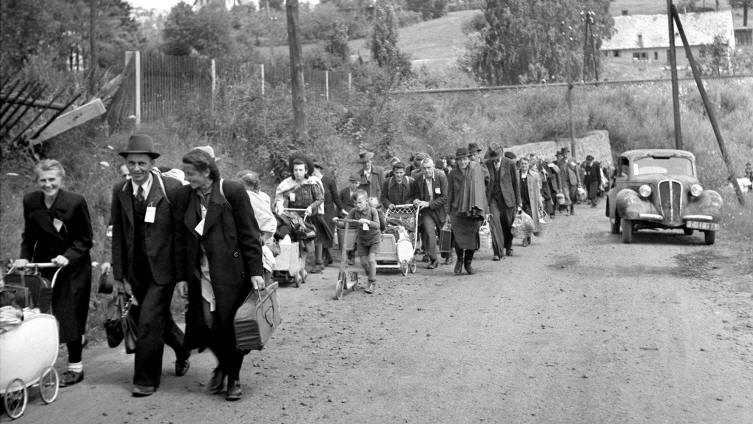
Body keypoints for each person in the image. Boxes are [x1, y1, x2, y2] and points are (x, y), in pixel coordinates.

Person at [175, 148, 265, 401]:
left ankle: (233, 377)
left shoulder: (232, 191)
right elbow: (181, 240)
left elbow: (250, 232)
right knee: (206, 326)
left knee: (231, 328)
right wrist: (182, 276)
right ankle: (223, 365)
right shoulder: (185, 196)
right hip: (201, 274)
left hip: (231, 273)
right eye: (185, 173)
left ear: (207, 172)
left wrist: (256, 271)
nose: (187, 178)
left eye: (191, 173)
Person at [110, 134, 191, 397]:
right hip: (136, 271)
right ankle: (182, 347)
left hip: (163, 272)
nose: (136, 169)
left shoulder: (171, 188)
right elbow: (119, 235)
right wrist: (119, 274)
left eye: (141, 163)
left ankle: (146, 379)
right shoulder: (120, 191)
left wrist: (182, 276)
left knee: (147, 322)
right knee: (158, 321)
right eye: (131, 163)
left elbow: (181, 234)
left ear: (151, 163)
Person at [14, 159, 93, 387]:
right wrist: (24, 257)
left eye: (52, 180)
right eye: (43, 180)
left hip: (72, 265)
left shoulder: (75, 202)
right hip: (44, 264)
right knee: (37, 313)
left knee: (69, 312)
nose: (48, 185)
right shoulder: (30, 201)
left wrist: (67, 256)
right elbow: (29, 236)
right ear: (37, 181)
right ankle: (35, 364)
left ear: (61, 179)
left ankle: (75, 367)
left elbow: (85, 239)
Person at [274, 158, 331, 273]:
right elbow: (280, 197)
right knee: (289, 237)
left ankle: (303, 265)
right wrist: (280, 204)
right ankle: (289, 263)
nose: (298, 172)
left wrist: (311, 207)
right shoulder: (288, 184)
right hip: (292, 215)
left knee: (305, 240)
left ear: (306, 171)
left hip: (309, 215)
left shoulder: (312, 183)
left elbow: (320, 198)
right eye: (295, 170)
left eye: (300, 170)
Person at [446, 148, 488, 275]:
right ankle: (459, 261)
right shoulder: (452, 174)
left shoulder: (476, 170)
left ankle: (468, 263)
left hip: (473, 210)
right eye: (459, 160)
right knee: (459, 237)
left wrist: (485, 209)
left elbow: (483, 187)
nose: (462, 162)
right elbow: (450, 193)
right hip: (457, 210)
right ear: (456, 161)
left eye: (464, 159)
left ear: (469, 159)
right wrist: (448, 212)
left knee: (472, 236)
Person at [334, 190, 381, 294]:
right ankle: (370, 275)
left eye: (360, 202)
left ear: (366, 201)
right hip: (361, 240)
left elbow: (378, 225)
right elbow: (346, 222)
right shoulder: (353, 211)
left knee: (371, 260)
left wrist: (368, 221)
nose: (357, 205)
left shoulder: (373, 211)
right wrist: (338, 221)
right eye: (355, 203)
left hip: (374, 240)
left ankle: (372, 282)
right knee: (364, 263)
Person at [411, 156, 448, 269]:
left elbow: (445, 197)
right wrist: (416, 200)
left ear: (433, 167)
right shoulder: (417, 178)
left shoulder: (441, 176)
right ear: (421, 169)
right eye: (424, 168)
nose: (427, 171)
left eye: (429, 168)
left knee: (444, 233)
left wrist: (429, 203)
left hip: (441, 209)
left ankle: (447, 254)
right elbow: (415, 194)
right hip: (426, 211)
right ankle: (433, 259)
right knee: (429, 233)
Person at [486, 145, 521, 258]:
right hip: (493, 199)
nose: (495, 159)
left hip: (508, 198)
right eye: (493, 157)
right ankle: (498, 252)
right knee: (495, 224)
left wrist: (518, 201)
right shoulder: (487, 164)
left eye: (496, 156)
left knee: (508, 224)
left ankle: (508, 245)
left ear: (501, 154)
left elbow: (515, 183)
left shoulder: (510, 163)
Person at [236, 170, 276, 242]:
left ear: (249, 186)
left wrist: (262, 241)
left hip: (259, 238)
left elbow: (269, 222)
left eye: (240, 185)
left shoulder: (249, 196)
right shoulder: (257, 196)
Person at [518, 156, 542, 247]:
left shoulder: (534, 175)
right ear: (520, 165)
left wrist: (540, 202)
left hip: (530, 201)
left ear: (528, 165)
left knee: (528, 220)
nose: (524, 165)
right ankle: (526, 237)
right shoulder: (516, 174)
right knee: (521, 220)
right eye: (522, 164)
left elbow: (537, 190)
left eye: (525, 164)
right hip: (520, 201)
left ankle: (526, 238)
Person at [338, 175, 361, 265]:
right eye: (352, 182)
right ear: (350, 182)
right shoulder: (344, 191)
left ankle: (352, 256)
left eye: (356, 183)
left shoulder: (360, 193)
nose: (354, 185)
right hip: (344, 215)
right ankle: (345, 256)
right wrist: (340, 214)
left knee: (354, 236)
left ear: (359, 184)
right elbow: (339, 203)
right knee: (344, 236)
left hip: (355, 216)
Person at [556, 147, 579, 215]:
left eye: (566, 153)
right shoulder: (560, 162)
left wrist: (579, 181)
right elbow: (559, 174)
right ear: (562, 154)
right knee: (567, 196)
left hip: (573, 180)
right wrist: (559, 186)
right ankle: (568, 210)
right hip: (564, 181)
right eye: (563, 153)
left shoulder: (572, 160)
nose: (565, 155)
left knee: (572, 196)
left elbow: (576, 170)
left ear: (568, 153)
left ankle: (572, 208)